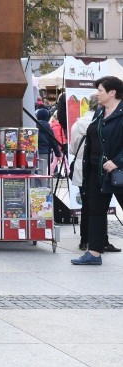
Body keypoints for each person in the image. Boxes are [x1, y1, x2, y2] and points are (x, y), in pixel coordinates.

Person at [72, 76, 123, 266]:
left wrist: (117, 161)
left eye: (100, 90)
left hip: (117, 172)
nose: (96, 93)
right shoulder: (99, 113)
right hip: (95, 171)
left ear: (112, 92)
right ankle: (93, 253)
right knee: (95, 211)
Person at [36, 107, 62, 175]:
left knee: (35, 170)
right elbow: (53, 142)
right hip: (45, 152)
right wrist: (58, 154)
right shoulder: (48, 128)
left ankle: (35, 184)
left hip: (35, 152)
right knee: (43, 171)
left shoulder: (34, 126)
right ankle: (44, 184)